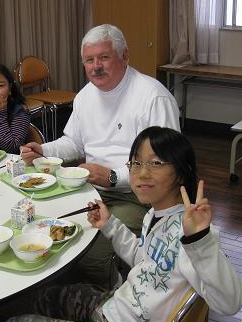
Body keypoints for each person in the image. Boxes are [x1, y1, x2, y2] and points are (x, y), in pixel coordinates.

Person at [0, 126, 242, 322]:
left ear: (181, 173)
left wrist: (200, 242)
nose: (142, 173)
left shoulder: (192, 235)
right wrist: (110, 225)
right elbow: (144, 261)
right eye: (136, 163)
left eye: (156, 163)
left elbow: (230, 303)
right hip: (117, 306)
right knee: (47, 296)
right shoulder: (155, 215)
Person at [21, 24, 180, 288]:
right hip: (91, 190)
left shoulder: (152, 97)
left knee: (88, 254)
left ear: (125, 56)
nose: (96, 67)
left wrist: (114, 176)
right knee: (50, 233)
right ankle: (67, 295)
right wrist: (45, 150)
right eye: (89, 60)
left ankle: (111, 298)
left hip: (138, 198)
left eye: (104, 57)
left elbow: (166, 166)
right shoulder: (85, 96)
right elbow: (73, 142)